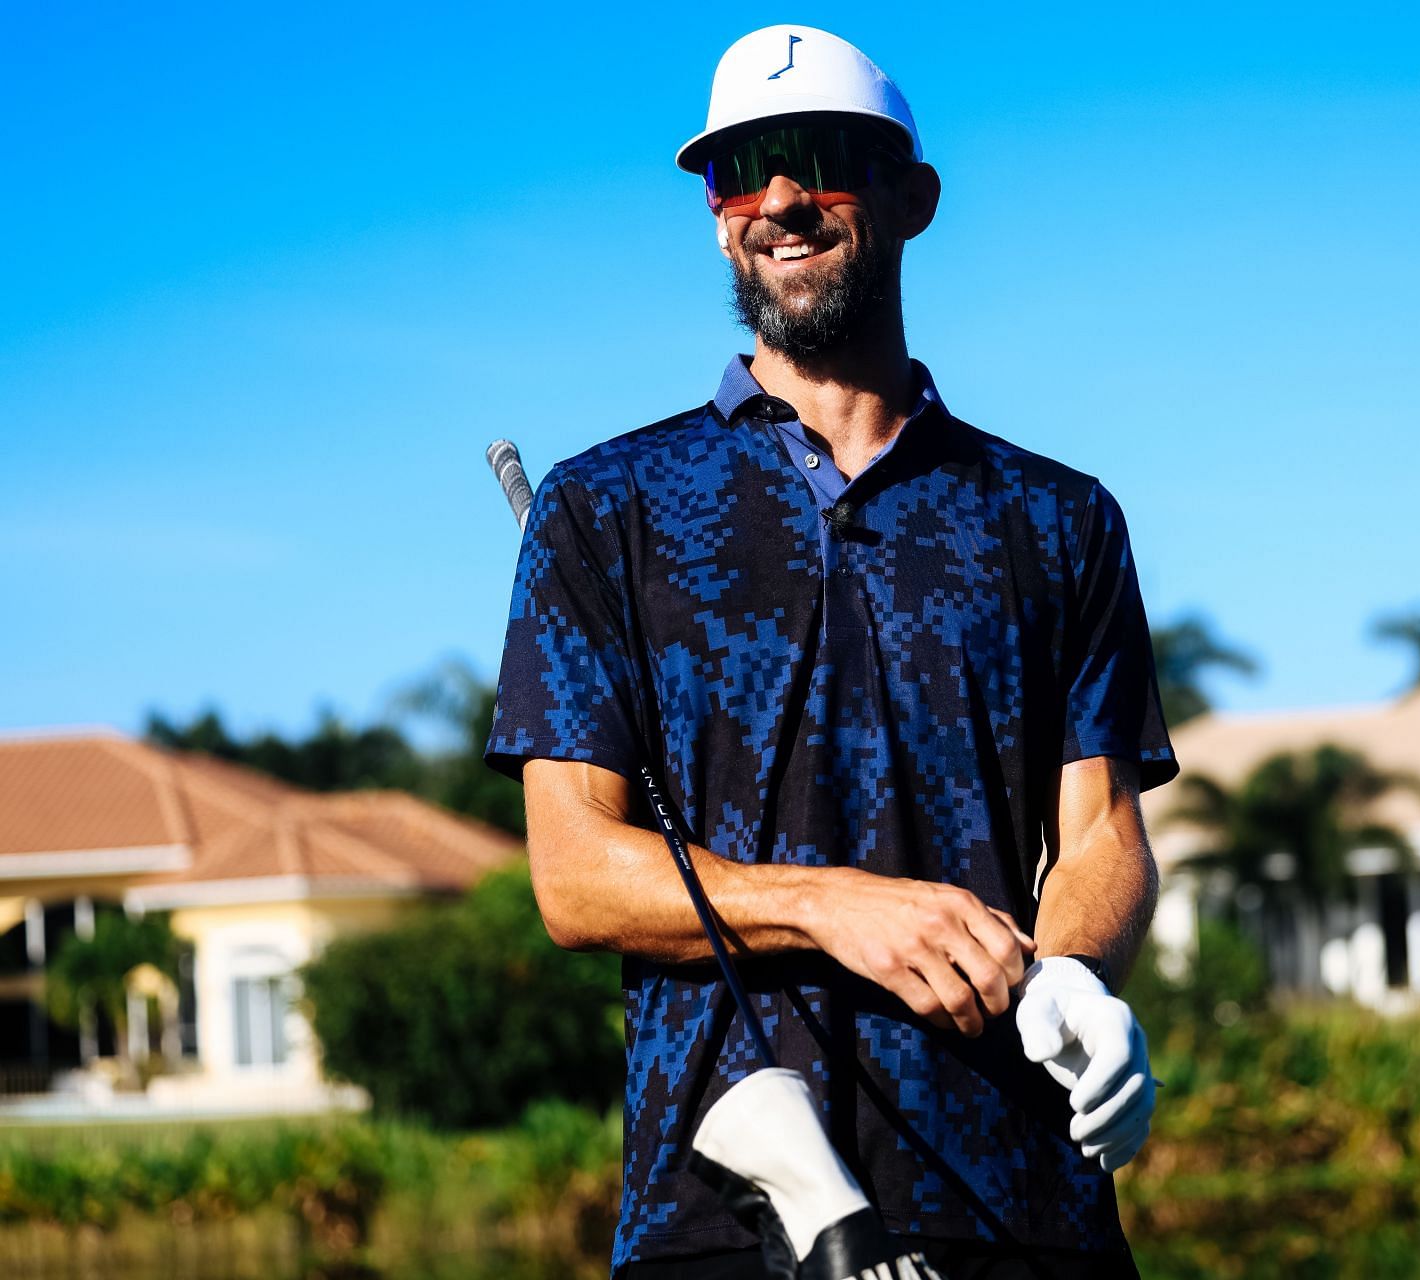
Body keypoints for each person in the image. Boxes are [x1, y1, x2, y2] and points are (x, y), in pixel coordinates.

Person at [486, 25, 1176, 1280]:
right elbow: (576, 874)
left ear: (912, 198)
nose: (783, 200)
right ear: (713, 214)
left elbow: (1103, 833)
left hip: (1022, 1199)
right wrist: (828, 904)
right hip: (725, 1210)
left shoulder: (1059, 517)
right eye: (742, 171)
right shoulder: (606, 508)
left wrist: (1075, 970)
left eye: (823, 160)